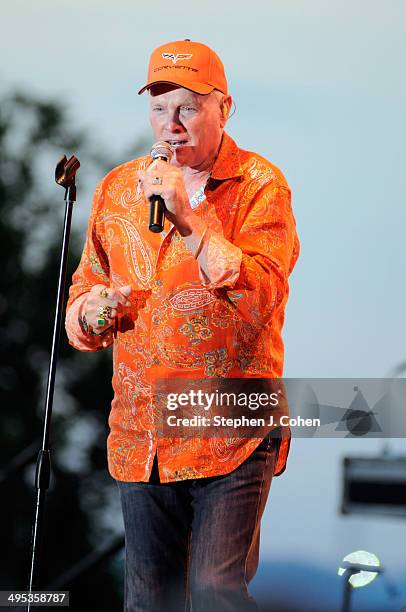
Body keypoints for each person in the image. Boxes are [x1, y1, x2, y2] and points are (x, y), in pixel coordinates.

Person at [65, 39, 300, 612]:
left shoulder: (258, 185)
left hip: (232, 424)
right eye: (158, 107)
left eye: (188, 108)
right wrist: (91, 314)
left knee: (216, 591)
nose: (171, 125)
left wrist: (188, 217)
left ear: (225, 108)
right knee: (149, 599)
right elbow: (82, 295)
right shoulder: (120, 190)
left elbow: (262, 294)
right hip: (143, 427)